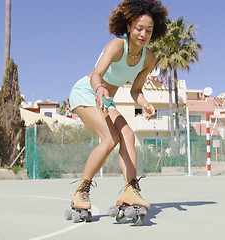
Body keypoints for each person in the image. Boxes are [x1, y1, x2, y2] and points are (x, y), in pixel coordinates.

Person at [68, 0, 168, 223]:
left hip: (107, 99)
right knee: (110, 137)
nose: (143, 34)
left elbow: (136, 91)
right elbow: (96, 75)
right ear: (129, 25)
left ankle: (130, 189)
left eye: (149, 30)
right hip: (88, 91)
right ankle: (81, 191)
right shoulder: (116, 46)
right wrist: (101, 89)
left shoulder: (148, 58)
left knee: (128, 136)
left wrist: (145, 104)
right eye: (139, 28)